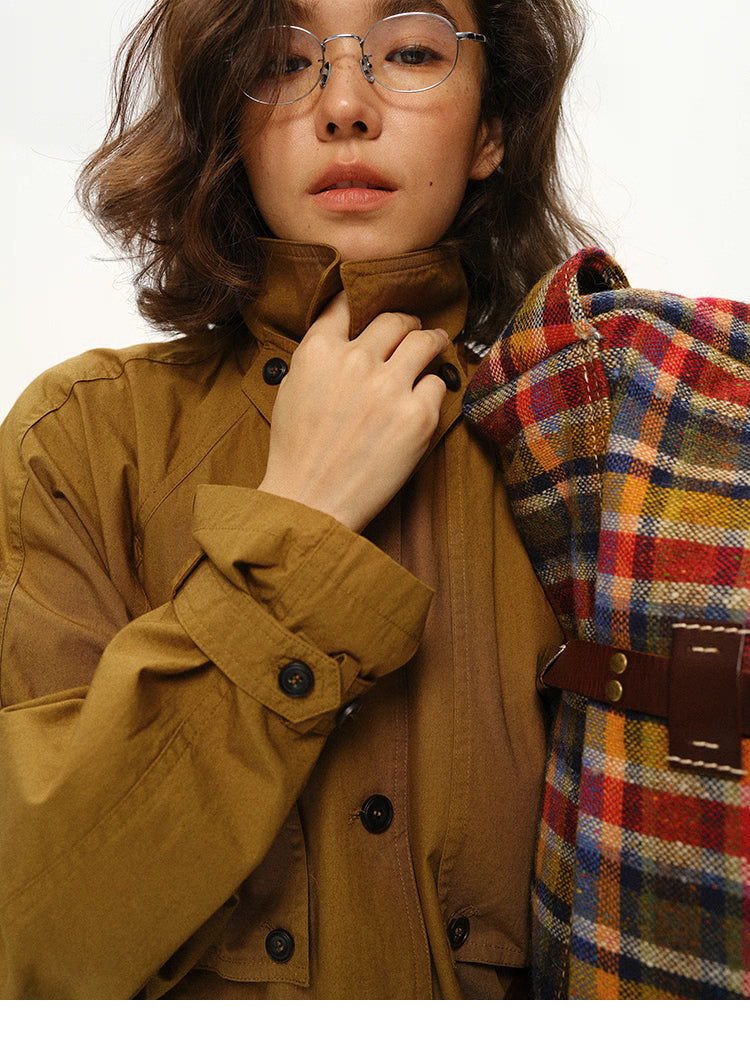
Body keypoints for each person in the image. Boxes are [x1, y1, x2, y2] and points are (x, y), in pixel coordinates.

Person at [0, 0, 588, 999]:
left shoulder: (593, 458)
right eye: (281, 62)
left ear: (492, 129)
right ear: (228, 124)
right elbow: (33, 944)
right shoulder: (83, 440)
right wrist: (300, 521)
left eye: (410, 50)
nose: (345, 104)